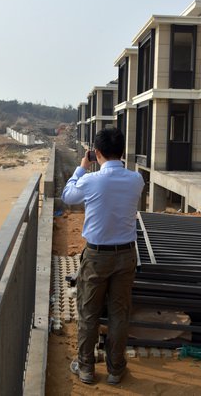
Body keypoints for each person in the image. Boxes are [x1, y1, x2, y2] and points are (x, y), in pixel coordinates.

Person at [61, 127, 144, 385]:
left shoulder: (90, 180)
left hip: (97, 256)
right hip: (127, 254)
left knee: (89, 312)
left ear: (96, 153)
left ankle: (86, 368)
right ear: (122, 151)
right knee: (120, 313)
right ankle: (116, 369)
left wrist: (81, 168)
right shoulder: (136, 180)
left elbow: (67, 196)